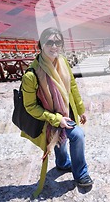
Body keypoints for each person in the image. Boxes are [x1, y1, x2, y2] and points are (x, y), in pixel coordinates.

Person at [20, 27, 93, 192]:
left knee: (62, 136)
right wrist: (56, 119)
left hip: (68, 111)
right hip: (49, 118)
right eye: (50, 42)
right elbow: (30, 106)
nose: (54, 46)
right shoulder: (31, 75)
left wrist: (81, 109)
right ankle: (81, 174)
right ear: (41, 44)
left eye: (58, 42)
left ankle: (61, 163)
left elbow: (72, 85)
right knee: (78, 135)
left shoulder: (63, 61)